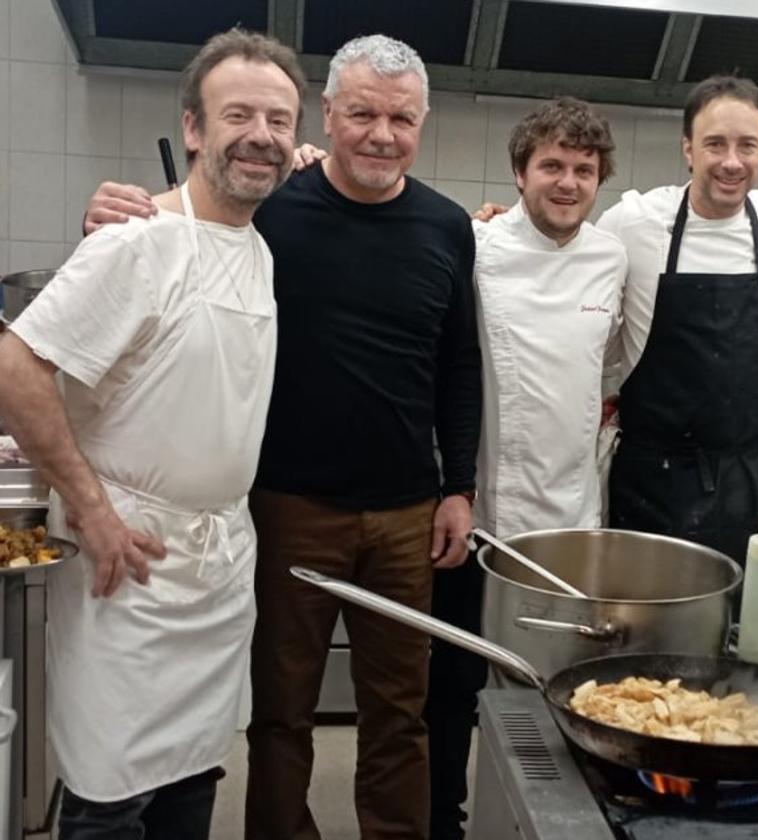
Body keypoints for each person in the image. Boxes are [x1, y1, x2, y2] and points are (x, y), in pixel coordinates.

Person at [85, 34, 481, 840]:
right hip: (289, 505)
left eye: (400, 119)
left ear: (423, 123)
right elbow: (176, 234)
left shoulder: (446, 226)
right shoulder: (274, 206)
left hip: (408, 512)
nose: (381, 133)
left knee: (401, 713)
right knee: (281, 711)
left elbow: (458, 366)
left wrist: (459, 487)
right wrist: (107, 213)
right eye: (362, 112)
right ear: (327, 115)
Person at [0, 28, 304, 839]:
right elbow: (15, 363)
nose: (261, 136)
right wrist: (92, 512)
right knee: (109, 793)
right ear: (194, 128)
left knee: (194, 775)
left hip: (218, 565)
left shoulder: (262, 249)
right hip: (127, 560)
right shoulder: (136, 241)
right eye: (237, 114)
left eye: (279, 121)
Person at [427, 96, 625, 840]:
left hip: (570, 521)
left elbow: (616, 362)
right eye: (552, 166)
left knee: (557, 691)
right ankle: (443, 820)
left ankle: (546, 824)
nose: (568, 182)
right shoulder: (475, 246)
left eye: (583, 169)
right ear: (520, 173)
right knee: (450, 689)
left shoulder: (612, 256)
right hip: (480, 519)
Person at [596, 74, 758, 564]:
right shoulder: (634, 222)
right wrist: (498, 229)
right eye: (715, 144)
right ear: (688, 149)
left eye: (747, 145)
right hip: (653, 482)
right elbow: (570, 259)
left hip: (754, 478)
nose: (732, 162)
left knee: (750, 634)